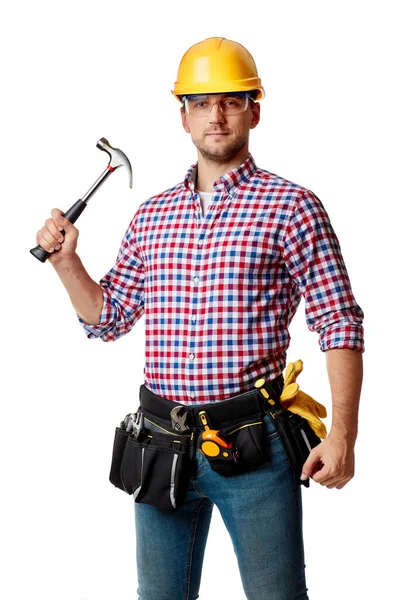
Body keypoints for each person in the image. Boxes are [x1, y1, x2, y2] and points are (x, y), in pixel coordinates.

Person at [36, 37, 364, 600]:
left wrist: (343, 435)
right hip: (159, 444)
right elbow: (108, 316)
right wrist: (67, 263)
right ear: (182, 115)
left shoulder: (292, 206)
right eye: (201, 101)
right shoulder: (153, 215)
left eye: (231, 101)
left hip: (254, 445)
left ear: (254, 110)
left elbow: (340, 322)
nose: (216, 115)